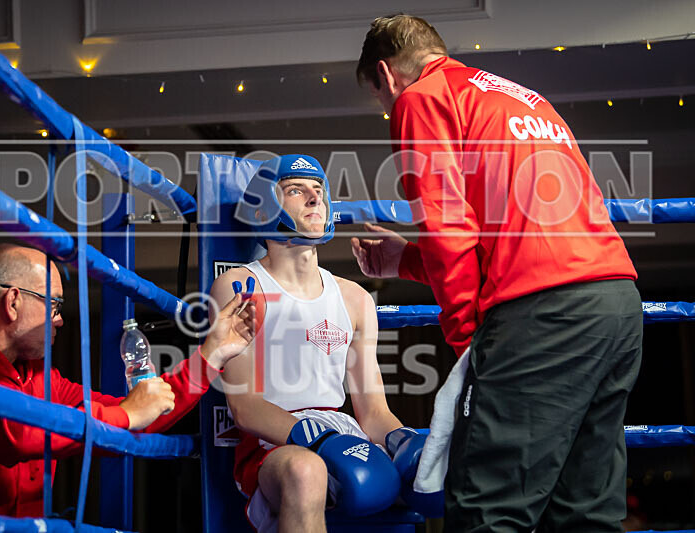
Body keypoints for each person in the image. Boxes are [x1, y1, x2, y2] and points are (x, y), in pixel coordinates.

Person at [353, 15, 642, 532]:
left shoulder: (422, 98)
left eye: (380, 99)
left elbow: (449, 233)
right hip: (615, 305)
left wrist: (468, 341)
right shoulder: (522, 99)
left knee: (488, 509)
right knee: (585, 510)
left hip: (546, 319)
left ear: (388, 74)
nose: (388, 110)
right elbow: (512, 234)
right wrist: (404, 261)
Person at [0, 244, 255, 517]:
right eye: (53, 304)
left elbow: (134, 417)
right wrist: (127, 415)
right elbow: (12, 432)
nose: (59, 320)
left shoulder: (34, 374)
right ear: (13, 302)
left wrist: (212, 355)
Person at [211, 154, 431, 533]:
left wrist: (402, 440)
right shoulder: (242, 286)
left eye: (318, 192)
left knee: (433, 465)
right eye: (296, 191)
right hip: (274, 442)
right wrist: (317, 440)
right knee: (306, 469)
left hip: (345, 432)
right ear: (267, 206)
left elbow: (374, 412)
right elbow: (244, 407)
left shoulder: (355, 297)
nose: (315, 200)